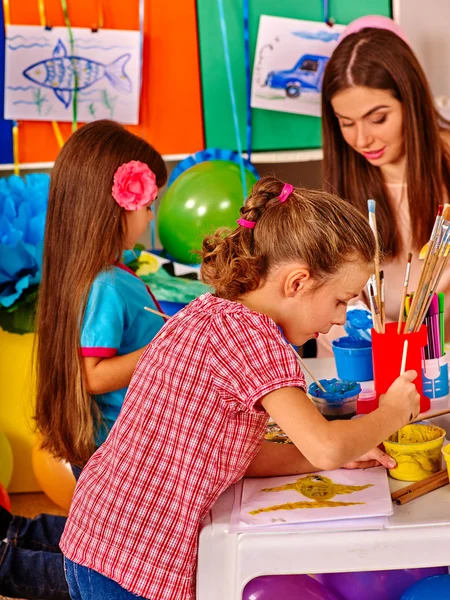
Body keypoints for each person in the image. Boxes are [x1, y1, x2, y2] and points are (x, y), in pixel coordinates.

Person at [60, 176, 420, 600]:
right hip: (133, 562)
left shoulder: (211, 311)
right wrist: (394, 411)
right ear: (297, 283)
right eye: (341, 300)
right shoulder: (257, 340)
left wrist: (330, 458)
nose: (341, 317)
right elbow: (325, 444)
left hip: (96, 539)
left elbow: (233, 456)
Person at [0, 120, 168, 599]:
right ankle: (9, 562)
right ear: (116, 206)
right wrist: (167, 344)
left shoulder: (104, 277)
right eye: (148, 205)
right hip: (120, 451)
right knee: (123, 568)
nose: (151, 218)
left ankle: (13, 538)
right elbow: (91, 375)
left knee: (108, 549)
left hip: (119, 448)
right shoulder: (106, 285)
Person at [318, 20, 450, 356]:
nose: (362, 140)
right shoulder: (344, 184)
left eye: (378, 119)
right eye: (346, 123)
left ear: (412, 103)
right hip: (371, 357)